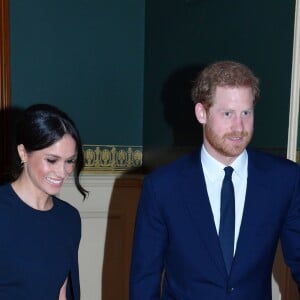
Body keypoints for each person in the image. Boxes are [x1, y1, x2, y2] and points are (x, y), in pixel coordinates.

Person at [130, 60, 300, 299]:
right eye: (228, 113)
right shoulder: (162, 187)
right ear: (202, 113)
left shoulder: (284, 179)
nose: (239, 127)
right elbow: (144, 280)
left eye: (246, 113)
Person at [0, 104, 88, 300]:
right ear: (23, 153)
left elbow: (61, 292)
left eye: (70, 161)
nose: (62, 172)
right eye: (52, 160)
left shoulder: (69, 218)